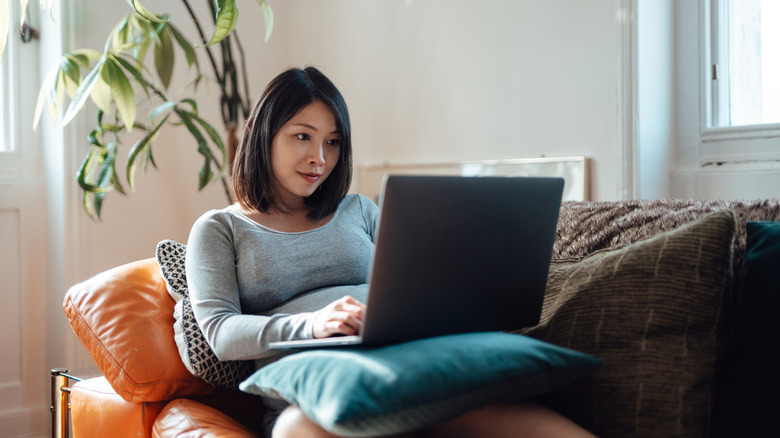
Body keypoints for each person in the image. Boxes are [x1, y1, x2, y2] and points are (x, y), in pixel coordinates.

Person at [186, 66, 595, 438]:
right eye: (302, 136)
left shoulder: (359, 210)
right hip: (314, 400)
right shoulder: (221, 229)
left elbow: (414, 289)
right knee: (295, 429)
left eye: (333, 142)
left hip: (406, 373)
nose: (320, 158)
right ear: (261, 132)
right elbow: (221, 332)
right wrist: (313, 324)